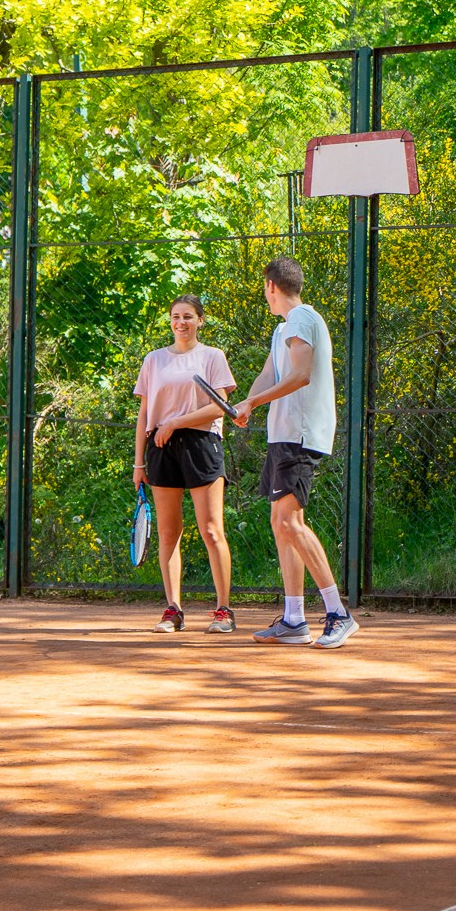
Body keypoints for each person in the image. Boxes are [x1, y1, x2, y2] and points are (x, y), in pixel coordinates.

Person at [234, 256, 358, 648]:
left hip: (300, 436)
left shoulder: (302, 318)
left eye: (264, 288)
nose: (265, 295)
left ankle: (339, 613)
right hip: (282, 435)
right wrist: (246, 403)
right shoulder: (284, 329)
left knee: (291, 523)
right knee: (280, 522)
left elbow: (301, 375)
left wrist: (253, 405)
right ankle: (293, 619)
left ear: (272, 285)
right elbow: (270, 374)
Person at [133, 295, 238, 633]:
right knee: (168, 533)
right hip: (160, 448)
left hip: (201, 444)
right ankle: (173, 610)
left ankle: (223, 610)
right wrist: (138, 463)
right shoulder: (154, 360)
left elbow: (220, 406)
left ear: (200, 321)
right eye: (175, 316)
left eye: (188, 317)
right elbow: (144, 415)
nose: (181, 323)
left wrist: (175, 422)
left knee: (211, 530)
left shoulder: (212, 357)